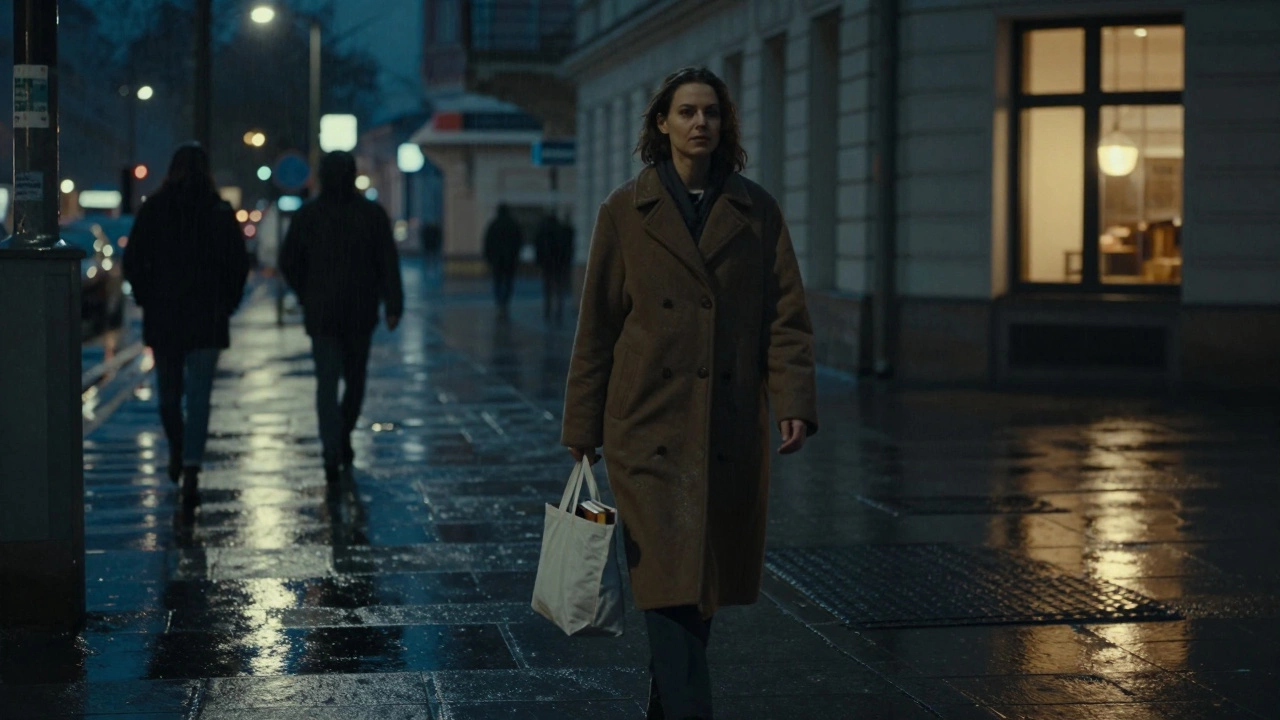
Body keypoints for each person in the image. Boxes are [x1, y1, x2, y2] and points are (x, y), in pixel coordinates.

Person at [560, 67, 818, 720]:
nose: (700, 123)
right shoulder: (625, 209)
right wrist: (581, 427)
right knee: (669, 586)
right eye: (687, 112)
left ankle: (667, 704)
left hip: (727, 428)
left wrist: (792, 399)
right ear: (662, 125)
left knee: (697, 592)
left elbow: (785, 312)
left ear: (724, 125)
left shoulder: (755, 210)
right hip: (646, 428)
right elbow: (597, 325)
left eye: (711, 113)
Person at [123, 142, 249, 505]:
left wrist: (148, 297)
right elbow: (238, 265)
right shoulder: (219, 211)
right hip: (208, 318)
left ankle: (181, 451)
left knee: (168, 396)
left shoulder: (156, 210)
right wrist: (227, 303)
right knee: (199, 397)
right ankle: (190, 461)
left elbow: (133, 260)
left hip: (165, 318)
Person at [280, 151, 404, 484]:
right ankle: (342, 435)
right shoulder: (371, 214)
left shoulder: (308, 215)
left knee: (326, 382)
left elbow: (289, 261)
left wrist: (305, 293)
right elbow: (387, 263)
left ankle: (331, 445)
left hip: (321, 313)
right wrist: (393, 304)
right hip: (360, 313)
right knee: (355, 380)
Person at [482, 203, 523, 317]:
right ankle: (505, 300)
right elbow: (519, 242)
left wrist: (488, 258)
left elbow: (487, 243)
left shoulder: (493, 225)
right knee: (509, 281)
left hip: (497, 259)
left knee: (498, 281)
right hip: (510, 259)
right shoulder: (513, 225)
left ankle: (500, 301)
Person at [534, 210, 574, 325]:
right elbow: (565, 248)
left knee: (547, 287)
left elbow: (539, 248)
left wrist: (539, 261)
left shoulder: (543, 232)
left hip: (547, 264)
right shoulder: (560, 231)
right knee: (558, 288)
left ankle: (548, 309)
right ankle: (558, 309)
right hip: (559, 264)